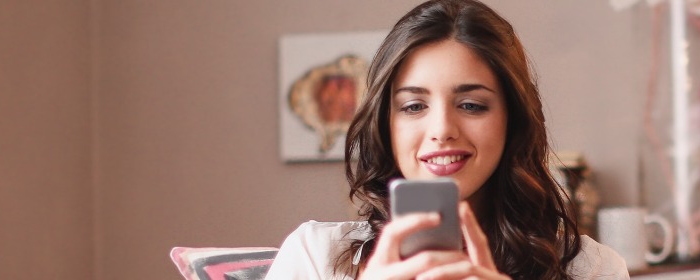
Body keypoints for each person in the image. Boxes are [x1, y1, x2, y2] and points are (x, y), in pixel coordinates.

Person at [264, 0, 629, 279]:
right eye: (413, 106)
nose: (442, 129)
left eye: (471, 105)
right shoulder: (315, 257)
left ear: (512, 119)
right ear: (385, 123)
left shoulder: (594, 269)